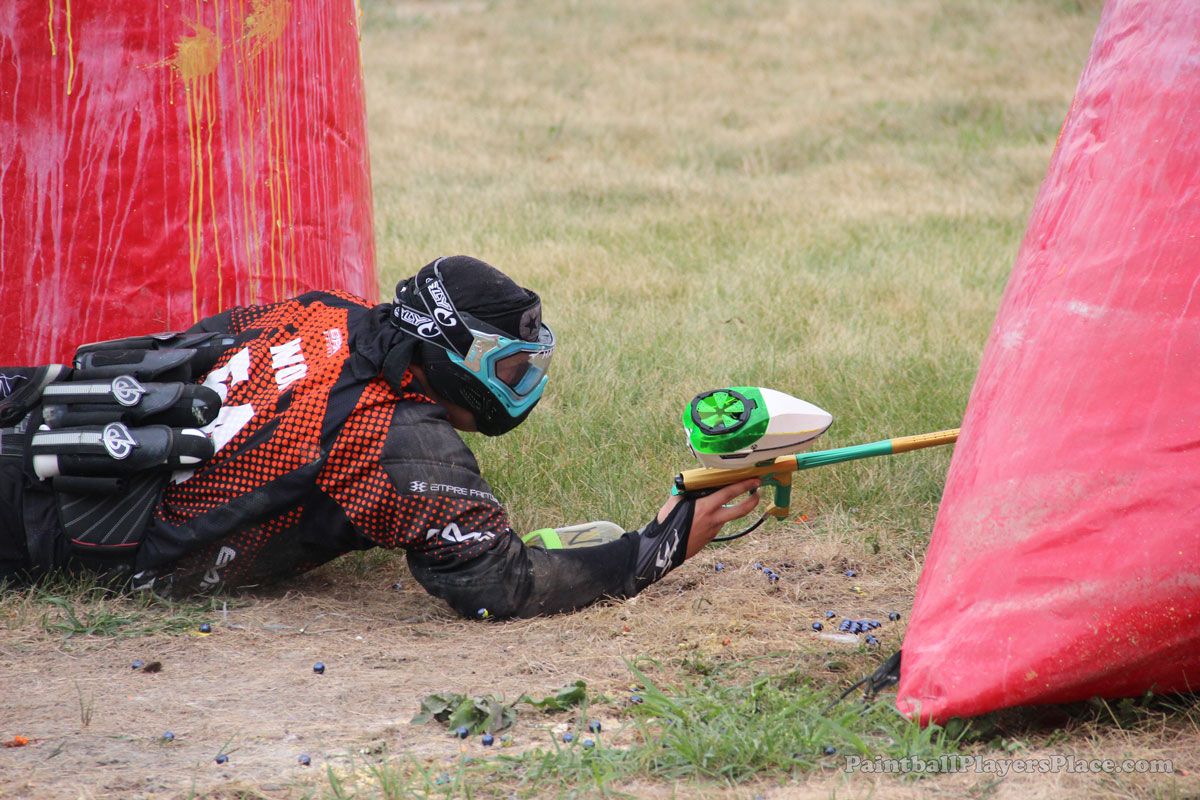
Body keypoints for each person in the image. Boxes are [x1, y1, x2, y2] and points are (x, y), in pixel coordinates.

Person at [0, 256, 760, 618]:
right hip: (60, 526)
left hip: (48, 439)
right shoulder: (394, 439)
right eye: (511, 366)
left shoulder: (321, 310)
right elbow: (500, 585)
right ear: (451, 353)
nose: (525, 385)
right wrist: (651, 549)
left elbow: (193, 344)